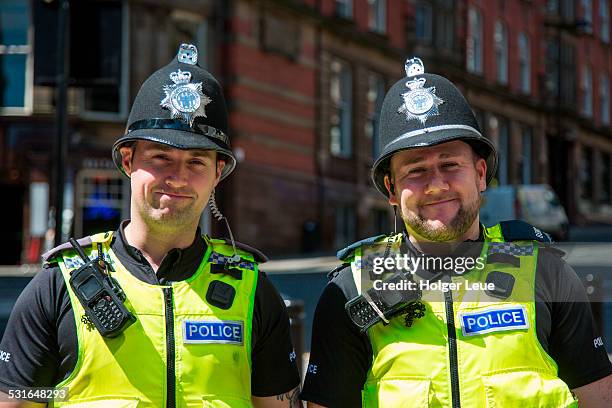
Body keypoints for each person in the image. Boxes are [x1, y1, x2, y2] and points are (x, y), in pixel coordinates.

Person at [0, 44, 301, 407]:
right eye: (161, 157)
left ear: (218, 173)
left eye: (196, 162)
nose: (177, 177)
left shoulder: (254, 292)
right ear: (128, 160)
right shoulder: (56, 287)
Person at [300, 57, 612, 407]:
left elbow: (598, 398)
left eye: (450, 164)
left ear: (480, 174)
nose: (435, 185)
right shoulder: (350, 289)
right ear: (390, 189)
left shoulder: (546, 272)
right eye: (415, 171)